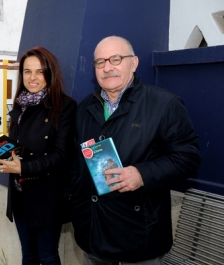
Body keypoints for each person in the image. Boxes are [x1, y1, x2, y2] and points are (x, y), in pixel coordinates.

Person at [69, 36, 201, 265]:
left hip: (139, 239)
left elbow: (188, 158)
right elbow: (75, 165)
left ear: (134, 62)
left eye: (116, 59)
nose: (107, 67)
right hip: (92, 236)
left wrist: (142, 174)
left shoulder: (164, 104)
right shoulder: (84, 108)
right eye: (100, 62)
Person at [0, 46, 77, 265]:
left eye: (39, 71)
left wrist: (22, 168)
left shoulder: (64, 107)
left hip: (47, 195)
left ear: (50, 73)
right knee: (27, 255)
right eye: (27, 71)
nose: (33, 77)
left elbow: (60, 156)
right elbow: (18, 148)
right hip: (20, 194)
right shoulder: (21, 104)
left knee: (47, 256)